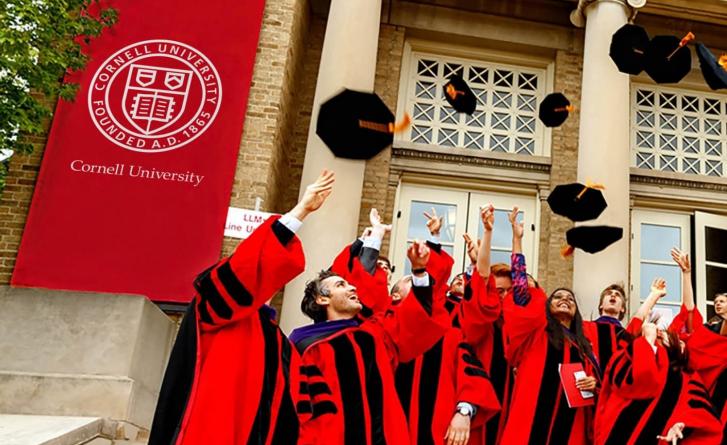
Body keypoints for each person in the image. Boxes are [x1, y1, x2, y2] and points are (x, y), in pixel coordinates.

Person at [148, 170, 336, 445]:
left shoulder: (278, 341)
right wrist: (300, 212)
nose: (272, 276)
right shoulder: (215, 306)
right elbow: (247, 267)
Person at [291, 229, 450, 444]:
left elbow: (416, 322)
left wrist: (420, 272)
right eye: (341, 284)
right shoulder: (303, 346)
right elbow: (299, 412)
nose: (353, 286)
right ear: (322, 300)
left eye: (349, 283)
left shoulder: (374, 335)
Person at [395, 208, 500, 445]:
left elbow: (478, 305)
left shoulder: (454, 329)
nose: (462, 280)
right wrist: (433, 240)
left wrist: (464, 410)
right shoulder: (390, 327)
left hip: (439, 416)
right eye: (457, 279)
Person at [499, 206, 600, 445]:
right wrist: (517, 240)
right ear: (546, 305)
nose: (565, 299)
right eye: (558, 296)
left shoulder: (585, 346)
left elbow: (598, 384)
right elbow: (522, 289)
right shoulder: (536, 331)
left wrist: (593, 383)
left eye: (570, 298)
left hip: (571, 426)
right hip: (531, 419)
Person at [595, 275, 723, 445]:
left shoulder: (687, 376)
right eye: (659, 332)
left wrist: (684, 425)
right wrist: (646, 340)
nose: (661, 333)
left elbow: (701, 415)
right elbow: (637, 382)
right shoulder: (630, 354)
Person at [458, 204, 514, 445]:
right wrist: (488, 233)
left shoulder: (521, 327)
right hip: (480, 410)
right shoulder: (481, 319)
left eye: (509, 292)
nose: (503, 297)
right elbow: (482, 282)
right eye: (498, 291)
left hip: (514, 408)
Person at [668, 248, 727, 442]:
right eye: (716, 301)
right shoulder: (708, 331)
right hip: (704, 399)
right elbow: (690, 311)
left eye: (723, 301)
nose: (718, 304)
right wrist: (686, 275)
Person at [584, 283, 628, 373]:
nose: (613, 295)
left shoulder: (627, 336)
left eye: (617, 295)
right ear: (601, 305)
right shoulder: (584, 327)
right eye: (609, 294)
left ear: (622, 308)